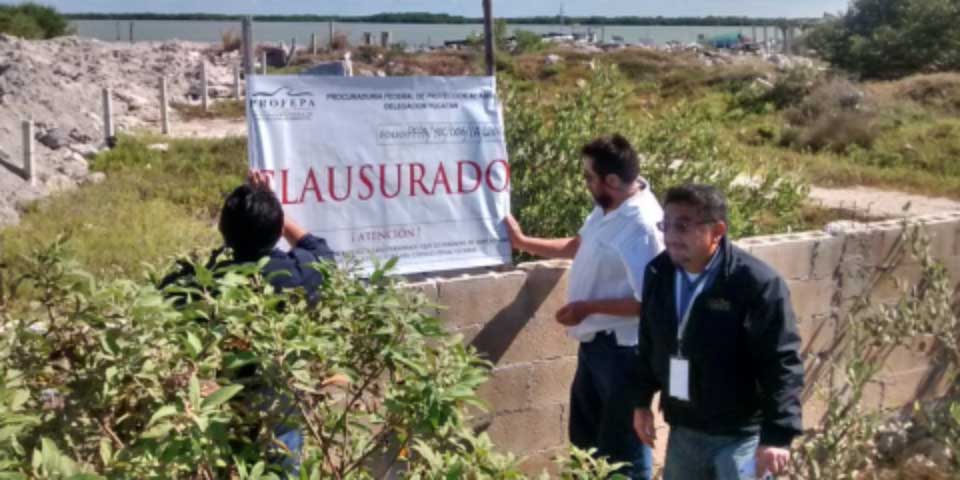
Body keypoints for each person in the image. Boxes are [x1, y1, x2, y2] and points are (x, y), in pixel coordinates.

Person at [505, 134, 663, 479]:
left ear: (611, 181)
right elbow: (579, 245)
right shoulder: (609, 208)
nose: (586, 184)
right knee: (586, 440)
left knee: (624, 450)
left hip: (624, 353)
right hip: (596, 346)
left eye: (589, 177)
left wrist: (587, 308)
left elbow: (651, 302)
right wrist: (523, 242)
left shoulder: (642, 226)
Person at [159, 169, 335, 472]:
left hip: (218, 402)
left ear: (223, 230)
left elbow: (161, 300)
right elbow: (317, 249)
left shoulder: (200, 282)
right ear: (278, 227)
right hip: (277, 403)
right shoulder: (298, 275)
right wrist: (274, 209)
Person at [631, 184, 804, 480]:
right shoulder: (658, 273)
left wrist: (777, 436)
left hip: (741, 437)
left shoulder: (756, 284)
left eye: (683, 226)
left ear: (717, 230)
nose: (671, 236)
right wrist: (640, 400)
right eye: (667, 225)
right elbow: (649, 341)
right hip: (685, 429)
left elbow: (782, 362)